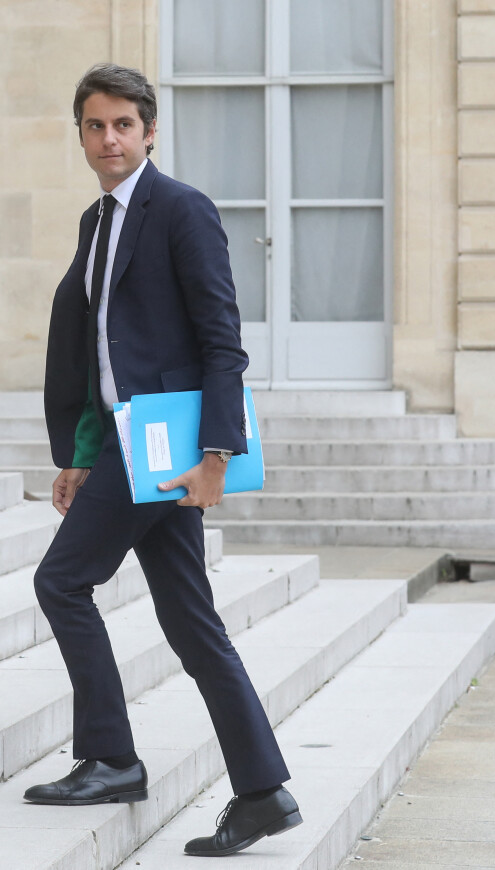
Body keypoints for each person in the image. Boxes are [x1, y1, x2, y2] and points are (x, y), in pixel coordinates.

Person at [23, 62, 302, 857]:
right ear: (80, 132)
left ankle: (110, 757)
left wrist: (217, 454)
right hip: (121, 443)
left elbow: (222, 341)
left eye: (122, 125)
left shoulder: (182, 210)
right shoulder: (96, 220)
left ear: (149, 131)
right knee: (190, 621)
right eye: (93, 125)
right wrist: (80, 452)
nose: (107, 139)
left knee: (60, 581)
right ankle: (262, 793)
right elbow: (97, 354)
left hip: (169, 449)